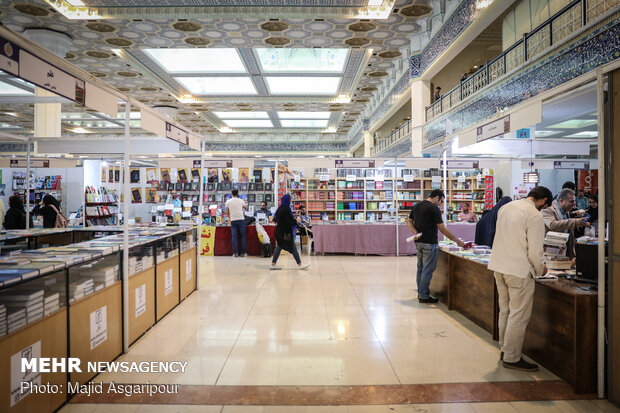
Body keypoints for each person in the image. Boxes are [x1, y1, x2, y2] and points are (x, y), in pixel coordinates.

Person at [488, 186, 553, 372]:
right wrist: (541, 269)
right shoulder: (534, 215)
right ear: (543, 201)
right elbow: (534, 251)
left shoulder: (506, 207)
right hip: (518, 270)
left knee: (505, 311)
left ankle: (504, 349)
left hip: (498, 266)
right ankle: (512, 357)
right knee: (519, 315)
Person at [406, 189, 465, 303]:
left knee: (421, 268)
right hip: (430, 243)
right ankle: (423, 295)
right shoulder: (434, 208)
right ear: (437, 197)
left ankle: (421, 292)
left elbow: (409, 221)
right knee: (427, 269)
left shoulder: (417, 205)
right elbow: (442, 228)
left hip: (419, 242)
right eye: (441, 201)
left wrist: (414, 232)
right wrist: (457, 241)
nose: (441, 204)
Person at [541, 189, 589, 259]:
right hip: (552, 252)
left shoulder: (565, 211)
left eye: (574, 201)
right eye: (571, 201)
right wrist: (574, 222)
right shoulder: (548, 209)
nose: (574, 204)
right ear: (561, 200)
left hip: (564, 251)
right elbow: (552, 225)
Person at [271, 194, 309, 270]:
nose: (291, 202)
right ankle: (300, 264)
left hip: (280, 232)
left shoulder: (281, 208)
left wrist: (293, 217)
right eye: (290, 200)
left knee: (279, 247)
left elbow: (278, 219)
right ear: (287, 200)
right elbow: (289, 223)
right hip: (285, 233)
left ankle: (273, 264)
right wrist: (296, 220)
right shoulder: (286, 210)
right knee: (293, 247)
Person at [225, 188, 247, 257]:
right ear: (238, 193)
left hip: (233, 220)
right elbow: (246, 208)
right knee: (243, 236)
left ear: (231, 193)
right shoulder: (241, 200)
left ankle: (235, 253)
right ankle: (243, 253)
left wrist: (230, 213)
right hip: (241, 219)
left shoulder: (228, 201)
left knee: (234, 236)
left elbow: (226, 212)